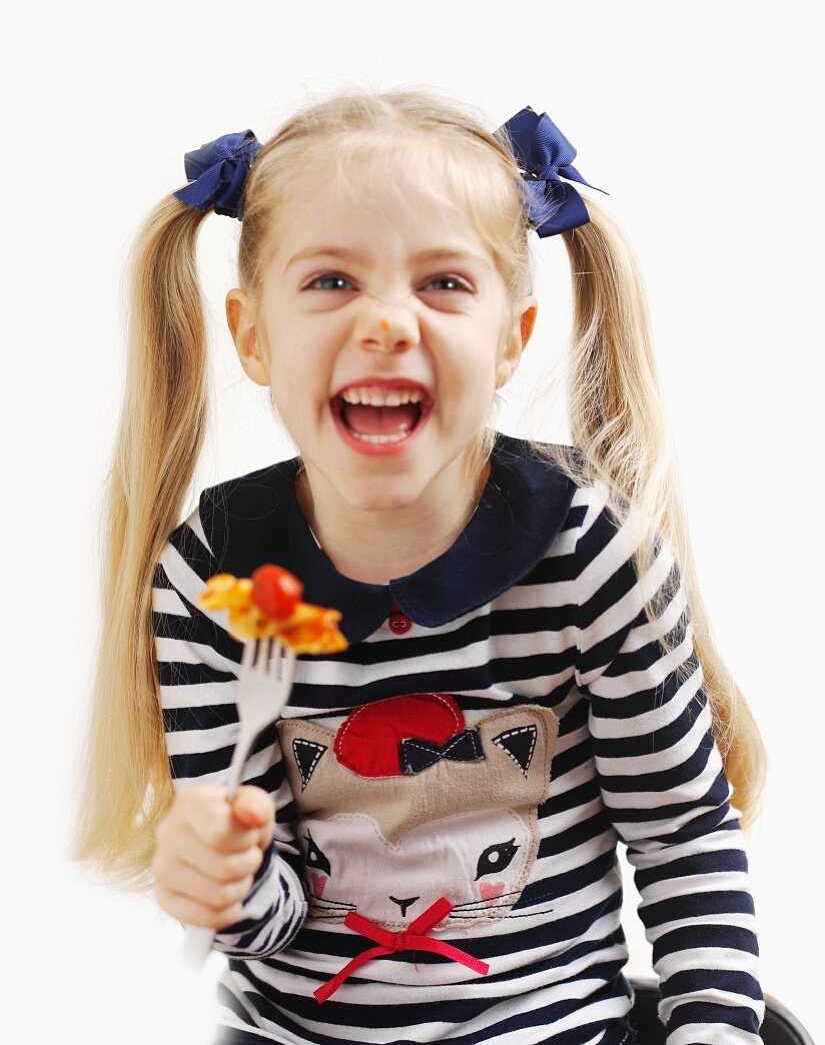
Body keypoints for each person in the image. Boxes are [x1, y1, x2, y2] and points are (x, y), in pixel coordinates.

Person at [71, 87, 768, 1044]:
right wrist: (227, 882)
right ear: (252, 337)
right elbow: (274, 921)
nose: (387, 321)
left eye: (443, 283)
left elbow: (681, 838)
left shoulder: (587, 552)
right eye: (329, 282)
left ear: (509, 340)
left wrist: (714, 1031)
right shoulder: (214, 577)